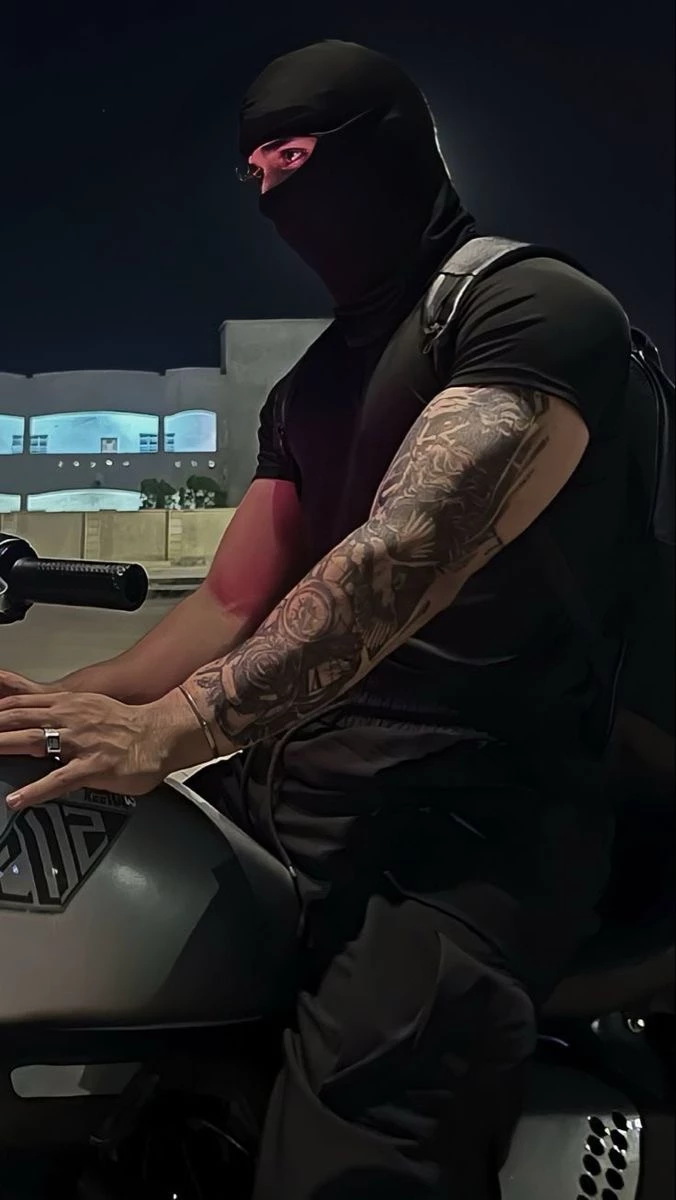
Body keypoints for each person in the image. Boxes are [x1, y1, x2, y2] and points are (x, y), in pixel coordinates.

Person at [0, 40, 633, 1200]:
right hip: (295, 791)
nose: (270, 188)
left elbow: (403, 552)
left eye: (293, 156)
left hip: (474, 825)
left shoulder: (528, 308)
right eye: (252, 170)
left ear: (388, 145)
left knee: (355, 1146)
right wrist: (56, 706)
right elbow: (231, 602)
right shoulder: (313, 382)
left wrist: (173, 730)